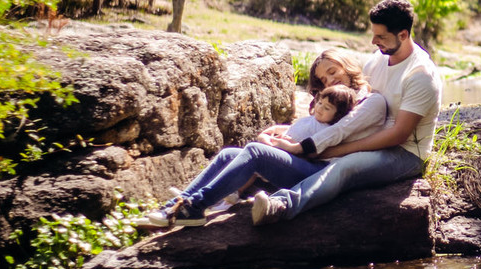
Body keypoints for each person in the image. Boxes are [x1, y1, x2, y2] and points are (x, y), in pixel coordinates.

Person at [252, 0, 442, 225]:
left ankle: (280, 207)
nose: (373, 41)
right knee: (315, 148)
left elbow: (399, 134)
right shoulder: (378, 59)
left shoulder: (420, 75)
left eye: (381, 36)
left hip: (405, 153)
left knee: (345, 166)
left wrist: (339, 150)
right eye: (373, 33)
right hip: (369, 133)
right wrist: (292, 130)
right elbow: (354, 111)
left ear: (403, 35)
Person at [144, 51, 386, 227]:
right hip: (309, 159)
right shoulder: (336, 99)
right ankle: (175, 206)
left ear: (347, 66)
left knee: (256, 153)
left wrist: (289, 146)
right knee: (229, 154)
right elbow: (316, 126)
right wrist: (282, 132)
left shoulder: (369, 101)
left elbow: (335, 133)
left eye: (333, 72)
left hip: (323, 171)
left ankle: (194, 207)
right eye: (323, 80)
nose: (330, 81)